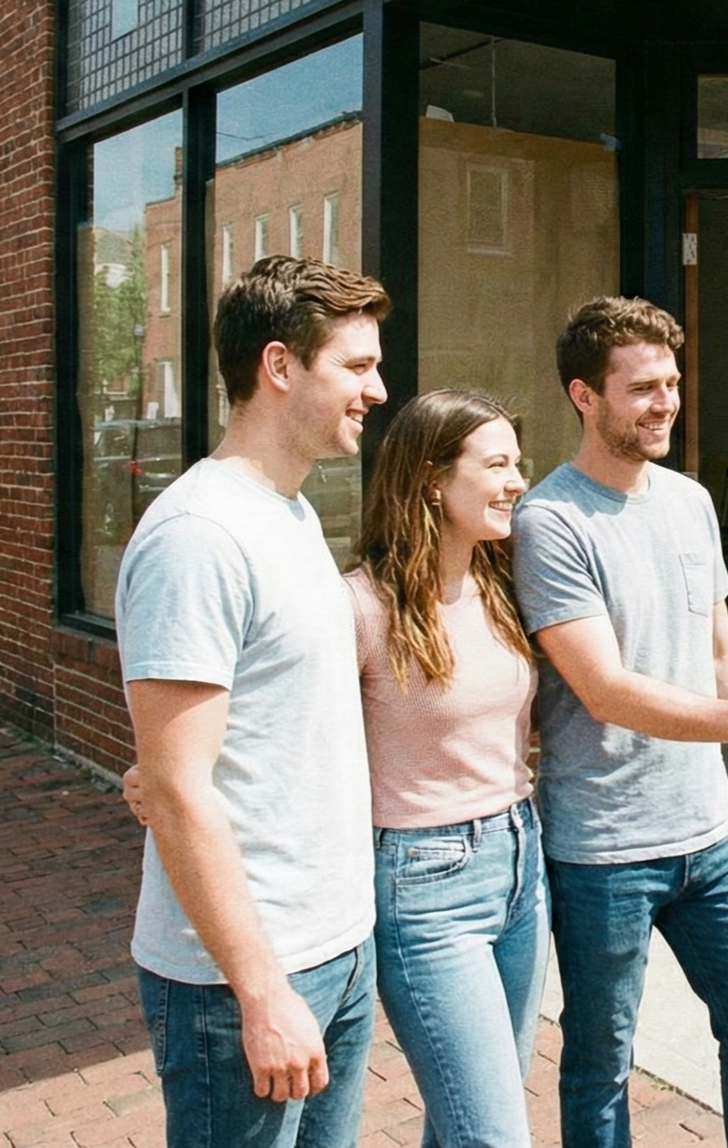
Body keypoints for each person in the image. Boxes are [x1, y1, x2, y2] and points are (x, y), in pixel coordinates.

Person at [511, 296, 728, 1148]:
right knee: (599, 1062)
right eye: (642, 388)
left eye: (672, 384)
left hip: (708, 835)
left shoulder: (691, 501)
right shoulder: (550, 522)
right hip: (603, 849)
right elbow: (607, 691)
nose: (665, 403)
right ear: (585, 396)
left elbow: (722, 648)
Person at [117, 255, 389, 1148]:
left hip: (335, 949)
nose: (377, 390)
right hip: (240, 981)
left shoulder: (293, 514)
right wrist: (261, 989)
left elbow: (224, 741)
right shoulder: (200, 536)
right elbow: (182, 790)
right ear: (279, 367)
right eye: (356, 366)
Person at [348, 389, 547, 1148]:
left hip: (521, 865)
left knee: (467, 1121)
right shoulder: (362, 609)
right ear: (433, 478)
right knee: (493, 1135)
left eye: (517, 463)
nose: (517, 482)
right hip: (425, 883)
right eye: (496, 464)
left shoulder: (499, 588)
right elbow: (284, 727)